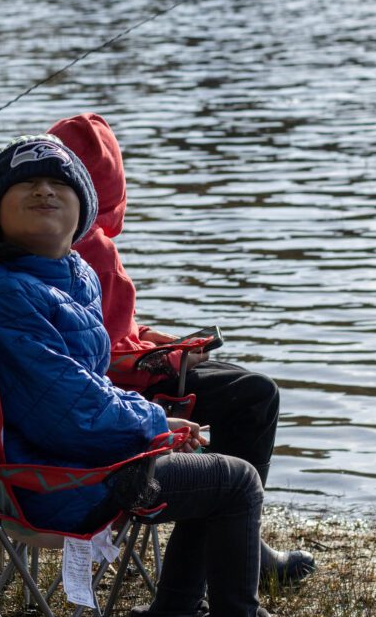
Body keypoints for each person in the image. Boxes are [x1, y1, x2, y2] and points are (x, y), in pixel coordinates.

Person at [0, 134, 274, 617]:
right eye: (27, 185)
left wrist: (154, 421)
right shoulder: (3, 291)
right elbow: (68, 413)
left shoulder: (63, 275)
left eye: (59, 184)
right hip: (52, 479)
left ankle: (174, 614)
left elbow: (80, 385)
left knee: (206, 467)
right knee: (237, 482)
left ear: (83, 212)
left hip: (44, 457)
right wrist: (150, 422)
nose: (44, 191)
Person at [47, 113, 316, 586]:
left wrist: (161, 342)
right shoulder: (91, 250)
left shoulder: (23, 245)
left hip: (75, 398)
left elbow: (107, 328)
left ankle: (241, 538)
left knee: (239, 384)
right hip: (117, 398)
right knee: (256, 396)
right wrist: (172, 358)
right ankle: (238, 542)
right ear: (109, 189)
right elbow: (100, 360)